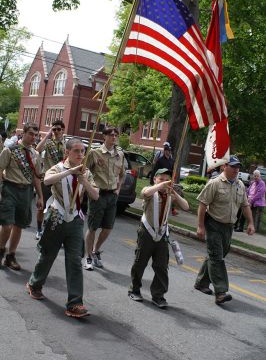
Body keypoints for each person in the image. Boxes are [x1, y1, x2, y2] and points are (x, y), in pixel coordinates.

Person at [26, 138, 99, 318]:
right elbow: (48, 180)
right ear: (67, 152)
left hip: (75, 220)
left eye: (82, 151)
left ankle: (75, 303)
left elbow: (96, 196)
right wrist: (70, 172)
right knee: (48, 254)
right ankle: (34, 284)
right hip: (56, 217)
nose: (80, 154)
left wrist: (84, 181)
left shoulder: (86, 173)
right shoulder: (58, 168)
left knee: (74, 260)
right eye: (76, 151)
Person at [194, 155, 255, 305]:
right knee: (216, 257)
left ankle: (201, 283)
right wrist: (200, 226)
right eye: (233, 166)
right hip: (213, 224)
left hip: (228, 227)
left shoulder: (240, 185)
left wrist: (251, 223)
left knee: (216, 255)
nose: (236, 169)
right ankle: (221, 292)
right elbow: (202, 205)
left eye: (238, 167)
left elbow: (245, 205)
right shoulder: (214, 183)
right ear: (224, 167)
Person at [128, 168, 189, 308]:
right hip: (147, 231)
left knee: (161, 266)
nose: (164, 182)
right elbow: (144, 193)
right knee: (140, 262)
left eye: (167, 179)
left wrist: (174, 193)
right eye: (161, 179)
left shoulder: (170, 194)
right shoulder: (151, 191)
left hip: (162, 234)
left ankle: (158, 295)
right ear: (155, 179)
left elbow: (186, 206)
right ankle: (135, 289)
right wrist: (160, 186)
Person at [0, 122, 43, 270]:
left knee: (19, 225)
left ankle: (10, 256)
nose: (33, 137)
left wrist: (40, 197)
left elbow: (36, 177)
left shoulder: (35, 154)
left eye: (36, 135)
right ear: (23, 133)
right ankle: (0, 251)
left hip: (26, 192)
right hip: (10, 189)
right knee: (7, 225)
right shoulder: (10, 150)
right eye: (31, 134)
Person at [83, 126, 125, 271]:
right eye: (111, 135)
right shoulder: (95, 153)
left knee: (108, 228)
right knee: (93, 227)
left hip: (112, 196)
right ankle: (88, 257)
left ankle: (95, 251)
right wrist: (89, 188)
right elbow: (84, 172)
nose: (114, 137)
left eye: (116, 135)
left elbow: (122, 174)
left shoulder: (120, 155)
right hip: (98, 195)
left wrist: (118, 189)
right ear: (104, 136)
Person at [35, 120, 65, 239]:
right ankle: (38, 229)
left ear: (63, 130)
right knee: (41, 206)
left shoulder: (67, 145)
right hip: (47, 179)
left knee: (58, 207)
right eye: (54, 129)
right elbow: (37, 149)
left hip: (60, 180)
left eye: (58, 129)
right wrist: (47, 135)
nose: (56, 131)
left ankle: (51, 231)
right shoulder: (48, 143)